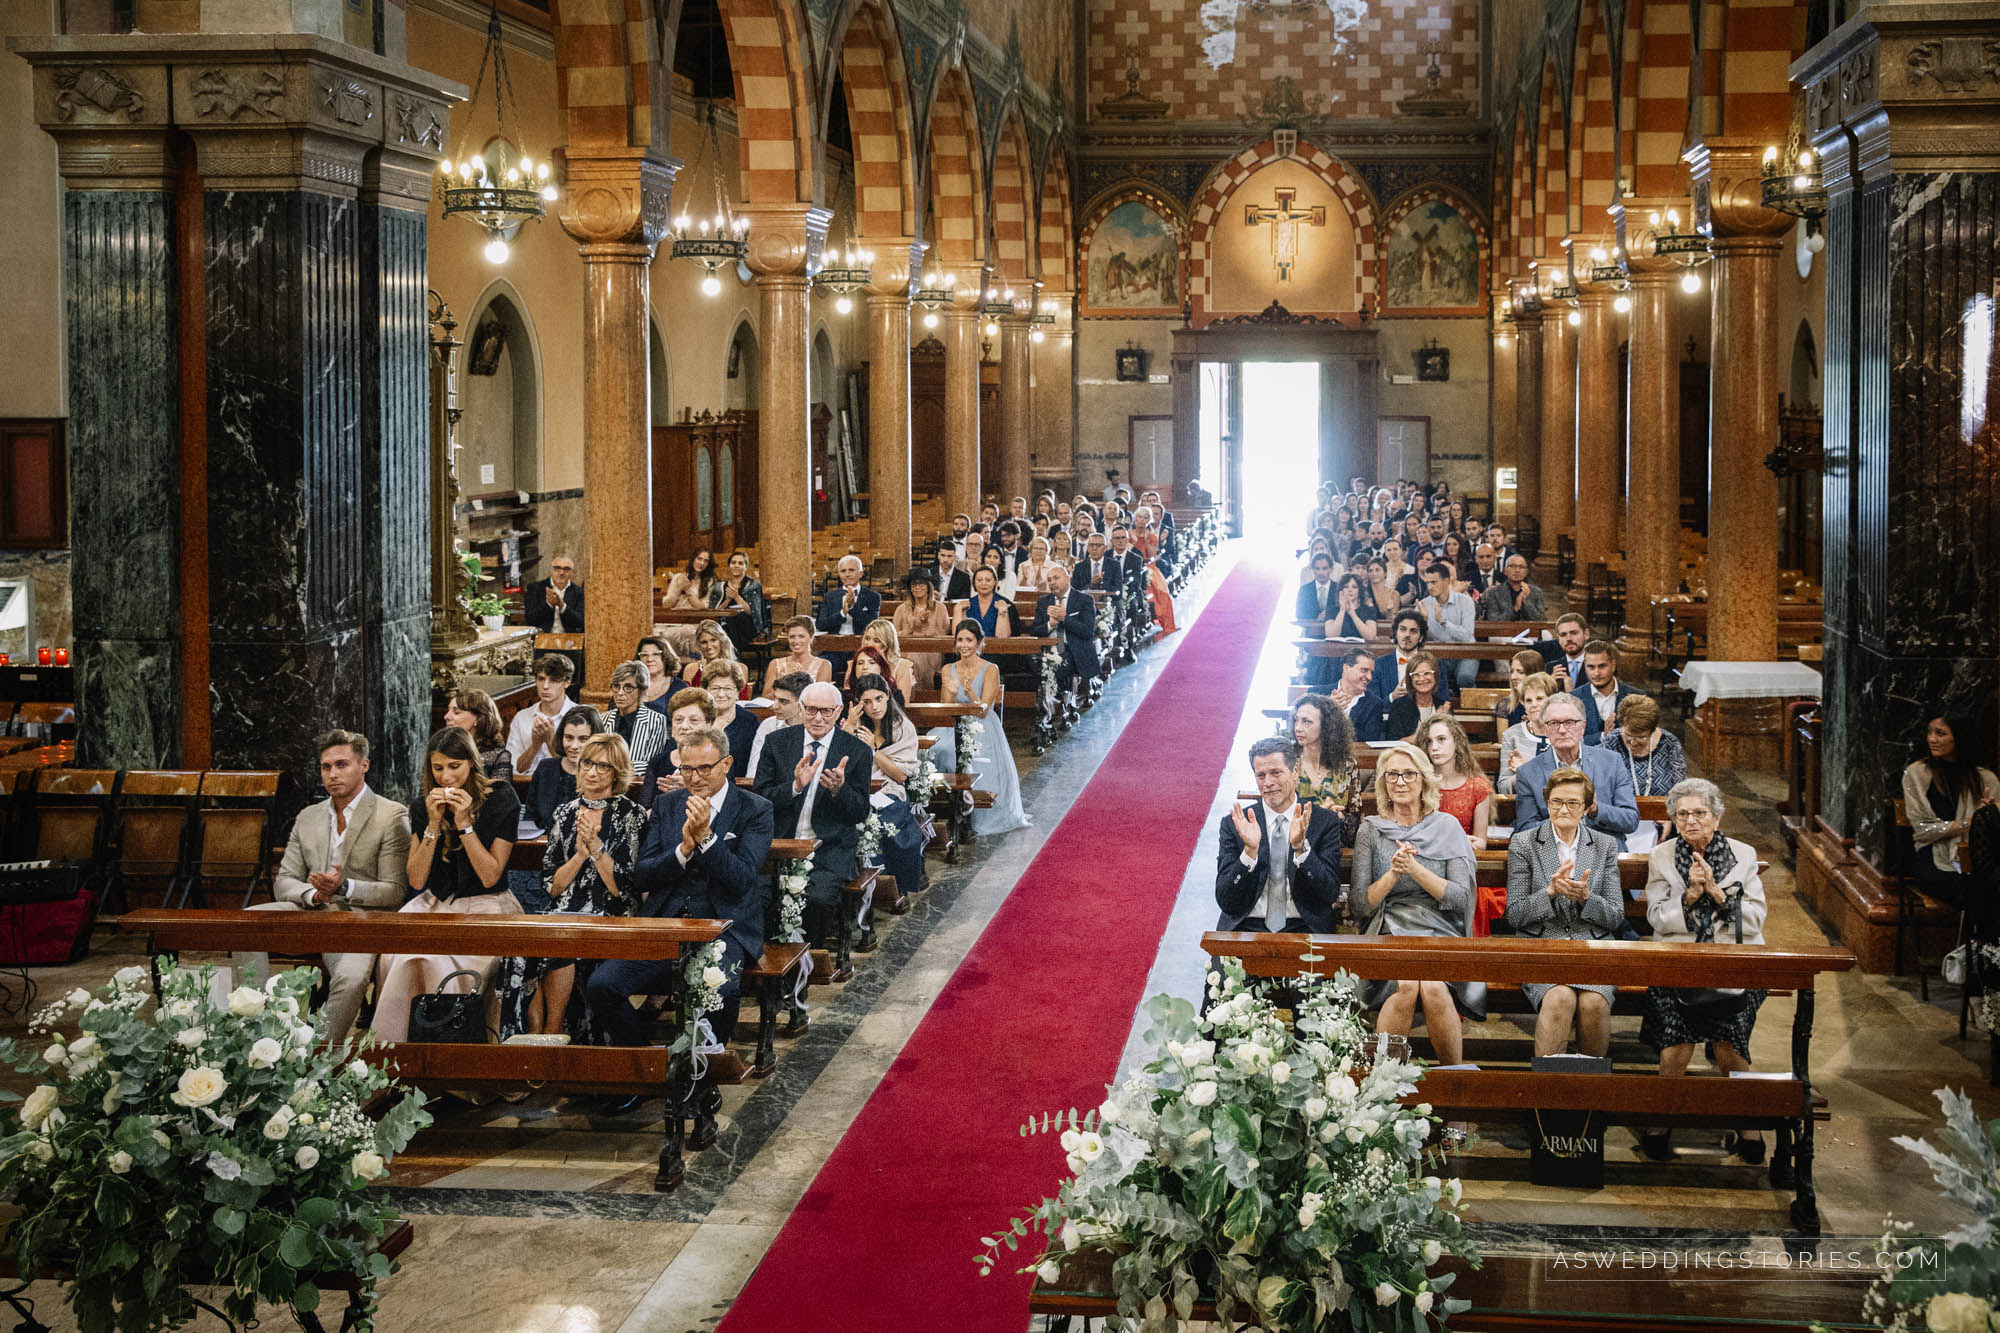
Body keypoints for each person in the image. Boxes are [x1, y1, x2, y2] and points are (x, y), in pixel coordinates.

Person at [588, 725, 773, 1113]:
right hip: (668, 921)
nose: (695, 777)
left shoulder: (755, 809)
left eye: (704, 768)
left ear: (727, 764)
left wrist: (706, 839)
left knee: (722, 991)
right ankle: (645, 1071)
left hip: (725, 925)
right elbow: (643, 874)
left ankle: (703, 1080)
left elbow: (742, 878)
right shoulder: (668, 805)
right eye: (687, 769)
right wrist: (683, 852)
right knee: (604, 985)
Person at [231, 731, 410, 1044]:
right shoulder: (308, 817)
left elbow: (394, 890)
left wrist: (345, 887)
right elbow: (284, 881)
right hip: (311, 910)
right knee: (246, 923)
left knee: (351, 978)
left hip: (359, 918)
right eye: (326, 767)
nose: (332, 774)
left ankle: (319, 1053)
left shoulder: (391, 815)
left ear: (364, 765)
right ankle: (258, 1035)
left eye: (342, 764)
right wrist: (313, 894)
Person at [1640, 777, 1771, 1163]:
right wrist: (1690, 896)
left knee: (1728, 1040)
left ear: (1716, 817)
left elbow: (1755, 920)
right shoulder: (1662, 856)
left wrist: (1716, 894)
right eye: (1682, 814)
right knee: (1677, 1042)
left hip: (1734, 962)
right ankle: (1662, 1119)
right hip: (1678, 961)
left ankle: (1748, 1123)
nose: (1691, 821)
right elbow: (1656, 918)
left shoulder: (1744, 855)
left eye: (1699, 813)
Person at [370, 728, 523, 1042]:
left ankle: (450, 1047)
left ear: (471, 763)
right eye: (438, 768)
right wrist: (434, 823)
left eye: (455, 766)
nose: (446, 777)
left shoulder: (501, 798)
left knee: (436, 962)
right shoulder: (421, 806)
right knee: (396, 954)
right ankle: (397, 1051)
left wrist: (465, 824)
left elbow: (490, 876)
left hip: (487, 904)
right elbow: (416, 879)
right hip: (435, 903)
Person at [496, 733, 646, 1039]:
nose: (592, 772)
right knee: (518, 952)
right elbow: (552, 887)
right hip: (564, 909)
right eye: (587, 763)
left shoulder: (632, 815)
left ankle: (553, 1028)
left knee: (560, 942)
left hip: (611, 912)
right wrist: (579, 854)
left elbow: (622, 889)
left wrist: (596, 847)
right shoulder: (564, 813)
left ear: (617, 772)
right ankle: (530, 1034)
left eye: (603, 766)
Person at [1352, 743, 1480, 1063]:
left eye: (1409, 774)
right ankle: (1383, 1081)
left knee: (1434, 988)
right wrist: (1393, 874)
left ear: (1424, 780)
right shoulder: (1371, 830)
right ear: (1383, 782)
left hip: (1440, 925)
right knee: (1406, 985)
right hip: (1387, 924)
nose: (1400, 782)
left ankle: (1453, 1079)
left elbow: (1460, 898)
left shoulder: (1447, 827)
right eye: (1392, 775)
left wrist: (1415, 870)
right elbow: (1359, 905)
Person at [1504, 766, 1625, 1050]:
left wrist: (1586, 898)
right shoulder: (1523, 843)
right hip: (1542, 944)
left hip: (1591, 946)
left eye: (1572, 803)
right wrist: (1549, 893)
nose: (1563, 809)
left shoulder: (1605, 845)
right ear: (1547, 802)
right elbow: (1515, 914)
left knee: (1594, 1003)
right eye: (1556, 802)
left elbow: (1615, 916)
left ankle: (1590, 1076)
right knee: (1560, 998)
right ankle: (1550, 1076)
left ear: (1586, 807)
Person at [754, 681, 873, 949]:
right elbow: (761, 798)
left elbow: (859, 811)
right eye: (811, 710)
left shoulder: (857, 750)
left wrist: (839, 791)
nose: (818, 718)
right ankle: (769, 962)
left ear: (839, 711)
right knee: (758, 897)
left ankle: (810, 959)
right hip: (780, 845)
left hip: (829, 849)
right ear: (801, 708)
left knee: (817, 900)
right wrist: (795, 787)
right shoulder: (777, 743)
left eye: (826, 711)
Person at [1214, 737, 1344, 933]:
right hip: (1247, 926)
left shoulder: (1323, 821)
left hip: (1304, 927)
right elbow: (1226, 900)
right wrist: (1249, 853)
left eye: (1276, 773)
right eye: (1261, 775)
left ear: (1295, 771)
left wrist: (1301, 849)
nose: (1268, 783)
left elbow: (1329, 893)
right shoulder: (1236, 824)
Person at [926, 619, 1030, 834]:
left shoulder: (990, 669)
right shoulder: (948, 669)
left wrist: (970, 693)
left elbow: (983, 709)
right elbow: (946, 707)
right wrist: (952, 693)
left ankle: (967, 800)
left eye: (969, 640)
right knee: (935, 749)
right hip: (953, 724)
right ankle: (943, 803)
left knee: (959, 752)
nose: (964, 645)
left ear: (979, 642)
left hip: (981, 726)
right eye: (960, 640)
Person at [1901, 715, 2000, 935]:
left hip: (1974, 860)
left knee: (1991, 884)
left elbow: (1993, 834)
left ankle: (1985, 949)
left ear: (1959, 738)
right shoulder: (1917, 773)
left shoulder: (1985, 779)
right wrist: (1970, 823)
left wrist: (1987, 817)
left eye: (1941, 733)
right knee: (1978, 892)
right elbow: (1923, 830)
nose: (1932, 739)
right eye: (1930, 732)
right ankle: (1982, 949)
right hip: (1932, 860)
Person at [1513, 693, 1640, 846]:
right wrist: (1562, 819)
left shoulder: (1611, 762)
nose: (1562, 730)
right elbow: (1524, 830)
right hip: (1555, 853)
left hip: (1604, 851)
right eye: (1553, 723)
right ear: (1545, 729)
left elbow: (1630, 820)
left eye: (1569, 722)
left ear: (1583, 727)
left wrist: (1595, 810)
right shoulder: (1528, 772)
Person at [844, 674, 928, 904]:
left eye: (879, 698)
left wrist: (873, 750)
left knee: (883, 822)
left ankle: (893, 884)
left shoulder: (902, 727)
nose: (874, 706)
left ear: (888, 696)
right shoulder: (856, 725)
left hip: (890, 789)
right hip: (859, 787)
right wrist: (849, 727)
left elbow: (900, 775)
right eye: (867, 701)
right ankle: (855, 885)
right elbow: (841, 760)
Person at [1289, 694, 1362, 845]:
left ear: (1326, 726)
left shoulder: (1346, 765)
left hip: (1334, 843)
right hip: (1294, 842)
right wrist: (1320, 815)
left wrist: (1340, 817)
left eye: (1306, 722)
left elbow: (1355, 821)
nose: (1298, 728)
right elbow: (1277, 816)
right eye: (1296, 720)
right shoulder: (1288, 762)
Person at [525, 705, 606, 839]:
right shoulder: (545, 768)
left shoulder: (602, 773)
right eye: (569, 738)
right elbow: (530, 818)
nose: (574, 746)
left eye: (583, 739)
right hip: (541, 844)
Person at [1032, 560, 1102, 704]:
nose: (1052, 582)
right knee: (1030, 661)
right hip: (1048, 648)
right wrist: (1050, 624)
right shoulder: (1043, 601)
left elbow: (1087, 632)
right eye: (1049, 580)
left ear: (1068, 578)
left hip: (1073, 648)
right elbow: (1035, 630)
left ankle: (1057, 700)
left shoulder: (1084, 600)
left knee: (1060, 661)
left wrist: (1064, 618)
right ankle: (1047, 700)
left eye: (1056, 578)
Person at [1422, 714, 1491, 850]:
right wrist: (1455, 840)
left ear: (1457, 741)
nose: (1434, 747)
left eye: (1441, 739)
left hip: (1462, 856)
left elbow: (1481, 843)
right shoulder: (1420, 782)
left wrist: (1461, 843)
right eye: (1429, 741)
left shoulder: (1477, 787)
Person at [640, 687, 720, 802]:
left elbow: (727, 805)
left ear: (709, 724)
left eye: (693, 720)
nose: (684, 726)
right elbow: (644, 807)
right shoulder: (658, 762)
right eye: (678, 720)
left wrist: (690, 789)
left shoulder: (719, 762)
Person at [1600, 694, 1687, 799]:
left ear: (1652, 731)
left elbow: (1680, 787)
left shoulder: (1669, 743)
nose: (1633, 742)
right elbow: (1602, 784)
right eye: (1628, 735)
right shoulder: (1612, 742)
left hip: (1662, 807)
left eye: (1640, 737)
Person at [507, 654, 575, 776]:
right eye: (541, 679)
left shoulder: (580, 717)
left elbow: (577, 770)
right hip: (526, 784)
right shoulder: (521, 718)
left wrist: (550, 741)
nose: (545, 686)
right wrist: (534, 746)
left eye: (553, 680)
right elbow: (514, 769)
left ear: (567, 682)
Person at [816, 555, 881, 678]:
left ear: (861, 573)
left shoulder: (873, 596)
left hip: (860, 649)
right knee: (820, 666)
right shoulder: (830, 597)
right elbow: (821, 624)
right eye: (843, 571)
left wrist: (852, 609)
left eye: (851, 570)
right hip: (834, 649)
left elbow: (871, 625)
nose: (847, 574)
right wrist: (842, 613)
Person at [604, 659, 672, 774]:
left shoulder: (656, 720)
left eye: (628, 687)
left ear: (641, 690)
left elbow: (651, 764)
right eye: (616, 686)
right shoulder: (603, 719)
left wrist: (611, 767)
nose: (620, 693)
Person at [1418, 562, 1477, 688]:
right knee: (1434, 677)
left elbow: (1467, 636)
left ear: (1446, 581)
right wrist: (1423, 621)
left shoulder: (1465, 601)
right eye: (1427, 583)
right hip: (1438, 655)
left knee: (1465, 677)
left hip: (1465, 653)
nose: (1429, 587)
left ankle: (1471, 699)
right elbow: (1420, 641)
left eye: (1434, 582)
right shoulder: (1423, 605)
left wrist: (1443, 622)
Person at [1497, 671, 1556, 796]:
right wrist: (1520, 776)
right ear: (1523, 704)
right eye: (1528, 700)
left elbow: (1572, 779)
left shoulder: (1566, 732)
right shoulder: (1511, 735)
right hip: (1525, 802)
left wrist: (1527, 770)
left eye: (1539, 699)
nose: (1534, 705)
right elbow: (1503, 787)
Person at [895, 569, 953, 691]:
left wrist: (926, 626)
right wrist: (912, 627)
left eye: (921, 584)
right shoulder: (901, 609)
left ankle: (922, 690)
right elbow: (894, 635)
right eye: (914, 585)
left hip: (932, 652)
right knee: (913, 657)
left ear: (928, 586)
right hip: (907, 652)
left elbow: (944, 634)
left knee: (919, 656)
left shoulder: (940, 608)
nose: (917, 587)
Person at [746, 671, 811, 777]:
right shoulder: (768, 725)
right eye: (775, 699)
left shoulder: (816, 728)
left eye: (783, 701)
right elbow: (754, 770)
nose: (775, 706)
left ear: (802, 703)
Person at [1579, 641, 1645, 743]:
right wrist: (1603, 736)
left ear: (1613, 665)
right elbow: (1571, 740)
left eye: (1602, 666)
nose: (1596, 673)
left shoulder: (1638, 697)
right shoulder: (1574, 698)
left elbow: (1646, 735)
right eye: (1591, 667)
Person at [1383, 649, 1452, 740]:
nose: (1422, 678)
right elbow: (1394, 742)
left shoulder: (1443, 705)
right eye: (1416, 674)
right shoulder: (1399, 706)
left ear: (1435, 676)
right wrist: (1435, 720)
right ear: (1410, 679)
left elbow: (1450, 739)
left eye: (1427, 673)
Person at [843, 617, 917, 701]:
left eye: (876, 640)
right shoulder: (855, 664)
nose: (869, 644)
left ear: (887, 644)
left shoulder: (902, 667)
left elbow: (902, 703)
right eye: (867, 638)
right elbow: (848, 697)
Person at [709, 549, 768, 653]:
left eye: (740, 563)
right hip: (725, 625)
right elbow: (715, 613)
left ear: (746, 567)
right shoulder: (719, 587)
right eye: (733, 563)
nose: (736, 565)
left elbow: (752, 612)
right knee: (727, 622)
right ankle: (733, 655)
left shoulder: (753, 585)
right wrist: (727, 600)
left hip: (748, 626)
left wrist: (736, 597)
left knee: (736, 616)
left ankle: (734, 655)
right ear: (729, 565)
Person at [704, 659, 762, 764]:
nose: (721, 694)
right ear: (706, 690)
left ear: (737, 692)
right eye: (715, 688)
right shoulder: (696, 717)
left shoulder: (749, 721)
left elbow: (755, 762)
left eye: (728, 688)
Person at [444, 689, 511, 781]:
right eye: (448, 710)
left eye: (456, 712)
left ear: (478, 718)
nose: (446, 717)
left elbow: (500, 790)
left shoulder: (498, 757)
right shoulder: (441, 749)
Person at [764, 614, 834, 695]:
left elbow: (821, 698)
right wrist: (785, 681)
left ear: (811, 638)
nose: (796, 641)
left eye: (801, 636)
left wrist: (804, 680)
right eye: (792, 637)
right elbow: (766, 698)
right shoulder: (775, 664)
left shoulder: (824, 665)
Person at [1325, 646, 1382, 743]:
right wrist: (1327, 709)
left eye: (1371, 672)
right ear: (1346, 668)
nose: (1369, 677)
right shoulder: (1317, 694)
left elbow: (1369, 742)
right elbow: (1307, 731)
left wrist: (1340, 716)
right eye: (1364, 670)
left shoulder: (1374, 703)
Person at [1477, 552, 1546, 623]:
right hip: (1503, 630)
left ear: (1526, 572)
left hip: (1529, 629)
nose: (1517, 570)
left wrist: (1526, 602)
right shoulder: (1494, 593)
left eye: (1521, 567)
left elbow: (1541, 620)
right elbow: (1494, 621)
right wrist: (1516, 608)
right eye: (1513, 566)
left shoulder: (1536, 592)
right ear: (1505, 571)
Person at [524, 554, 584, 632]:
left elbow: (580, 621)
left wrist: (562, 606)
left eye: (566, 569)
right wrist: (548, 604)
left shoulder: (579, 592)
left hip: (569, 637)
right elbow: (530, 620)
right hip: (542, 636)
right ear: (551, 570)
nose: (561, 572)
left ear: (572, 572)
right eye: (557, 568)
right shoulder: (536, 588)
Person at [680, 619, 737, 689]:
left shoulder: (739, 669)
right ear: (698, 645)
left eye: (713, 640)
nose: (709, 646)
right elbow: (686, 695)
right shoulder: (690, 669)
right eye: (704, 642)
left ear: (721, 640)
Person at [961, 565, 1015, 639]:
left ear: (995, 582)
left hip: (998, 645)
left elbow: (1003, 637)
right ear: (974, 583)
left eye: (988, 580)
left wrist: (1002, 612)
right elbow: (959, 636)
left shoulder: (1007, 605)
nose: (983, 583)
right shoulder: (966, 605)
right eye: (979, 580)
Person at [635, 636, 684, 715]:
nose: (649, 659)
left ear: (666, 657)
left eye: (656, 654)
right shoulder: (627, 684)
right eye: (644, 655)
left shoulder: (680, 688)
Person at [1297, 552, 1339, 622]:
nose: (1321, 572)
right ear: (1312, 570)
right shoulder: (1304, 590)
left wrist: (1327, 616)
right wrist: (1316, 619)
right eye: (1317, 568)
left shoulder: (1339, 589)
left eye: (1324, 568)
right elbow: (1299, 614)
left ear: (1331, 569)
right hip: (1310, 628)